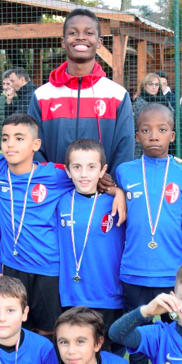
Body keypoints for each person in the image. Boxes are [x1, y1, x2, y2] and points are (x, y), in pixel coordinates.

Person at [0, 114, 124, 342]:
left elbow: (85, 177)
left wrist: (116, 192)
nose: (11, 144)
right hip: (12, 267)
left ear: (35, 145)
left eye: (19, 138)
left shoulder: (54, 175)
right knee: (19, 329)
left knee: (49, 330)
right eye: (6, 138)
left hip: (47, 268)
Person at [115, 104, 182, 364]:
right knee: (137, 343)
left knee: (175, 341)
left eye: (162, 130)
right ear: (137, 135)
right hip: (135, 272)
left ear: (172, 135)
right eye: (146, 130)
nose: (154, 136)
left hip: (171, 274)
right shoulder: (124, 171)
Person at [29, 9, 134, 176]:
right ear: (63, 42)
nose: (80, 37)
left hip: (102, 195)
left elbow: (124, 150)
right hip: (55, 193)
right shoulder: (42, 96)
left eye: (89, 32)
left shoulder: (117, 95)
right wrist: (51, 180)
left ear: (99, 42)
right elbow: (33, 146)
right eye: (73, 32)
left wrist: (109, 185)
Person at [57, 139, 127, 351]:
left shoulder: (115, 202)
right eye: (77, 167)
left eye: (91, 167)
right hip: (71, 297)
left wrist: (118, 192)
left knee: (105, 359)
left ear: (103, 170)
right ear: (68, 171)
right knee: (74, 358)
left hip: (108, 296)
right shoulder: (60, 201)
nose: (84, 174)